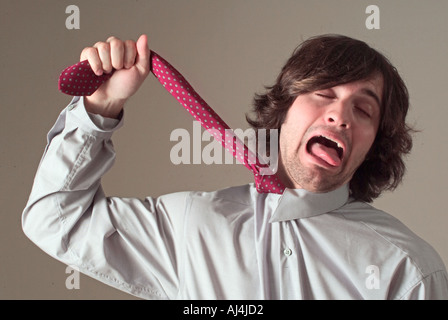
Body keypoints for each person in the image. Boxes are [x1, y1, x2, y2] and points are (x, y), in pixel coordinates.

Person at [22, 34, 448, 299]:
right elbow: (54, 220)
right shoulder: (193, 228)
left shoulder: (407, 270)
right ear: (284, 109)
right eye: (322, 94)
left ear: (374, 145)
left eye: (363, 109)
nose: (340, 116)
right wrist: (100, 106)